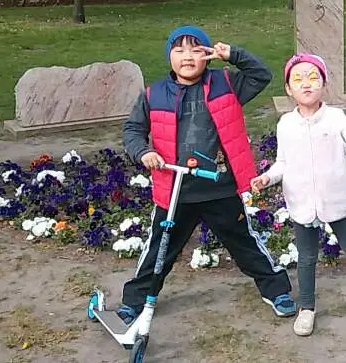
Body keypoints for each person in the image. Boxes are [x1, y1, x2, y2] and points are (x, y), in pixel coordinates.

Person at [117, 25, 296, 325]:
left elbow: (261, 75)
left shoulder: (226, 83)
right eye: (180, 50)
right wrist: (143, 152)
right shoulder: (154, 94)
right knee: (159, 249)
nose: (187, 57)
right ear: (169, 56)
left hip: (219, 187)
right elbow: (133, 130)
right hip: (176, 191)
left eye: (196, 50)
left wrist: (233, 54)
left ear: (208, 55)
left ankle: (276, 290)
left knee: (244, 242)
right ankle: (136, 301)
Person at [250, 54, 346, 337]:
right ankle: (307, 308)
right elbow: (282, 162)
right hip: (301, 201)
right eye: (298, 79)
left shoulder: (336, 118)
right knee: (306, 257)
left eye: (313, 78)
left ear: (324, 85)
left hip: (335, 200)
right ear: (288, 89)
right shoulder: (286, 123)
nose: (306, 84)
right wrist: (267, 178)